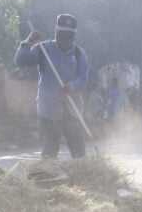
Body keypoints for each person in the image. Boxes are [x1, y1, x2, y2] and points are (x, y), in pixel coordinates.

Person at [15, 13, 89, 159]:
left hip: (73, 112)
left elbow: (83, 79)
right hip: (48, 112)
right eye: (62, 35)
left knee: (79, 155)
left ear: (73, 36)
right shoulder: (42, 49)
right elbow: (20, 61)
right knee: (49, 154)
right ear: (56, 32)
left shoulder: (79, 54)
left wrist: (71, 86)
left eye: (69, 36)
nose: (65, 39)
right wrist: (28, 41)